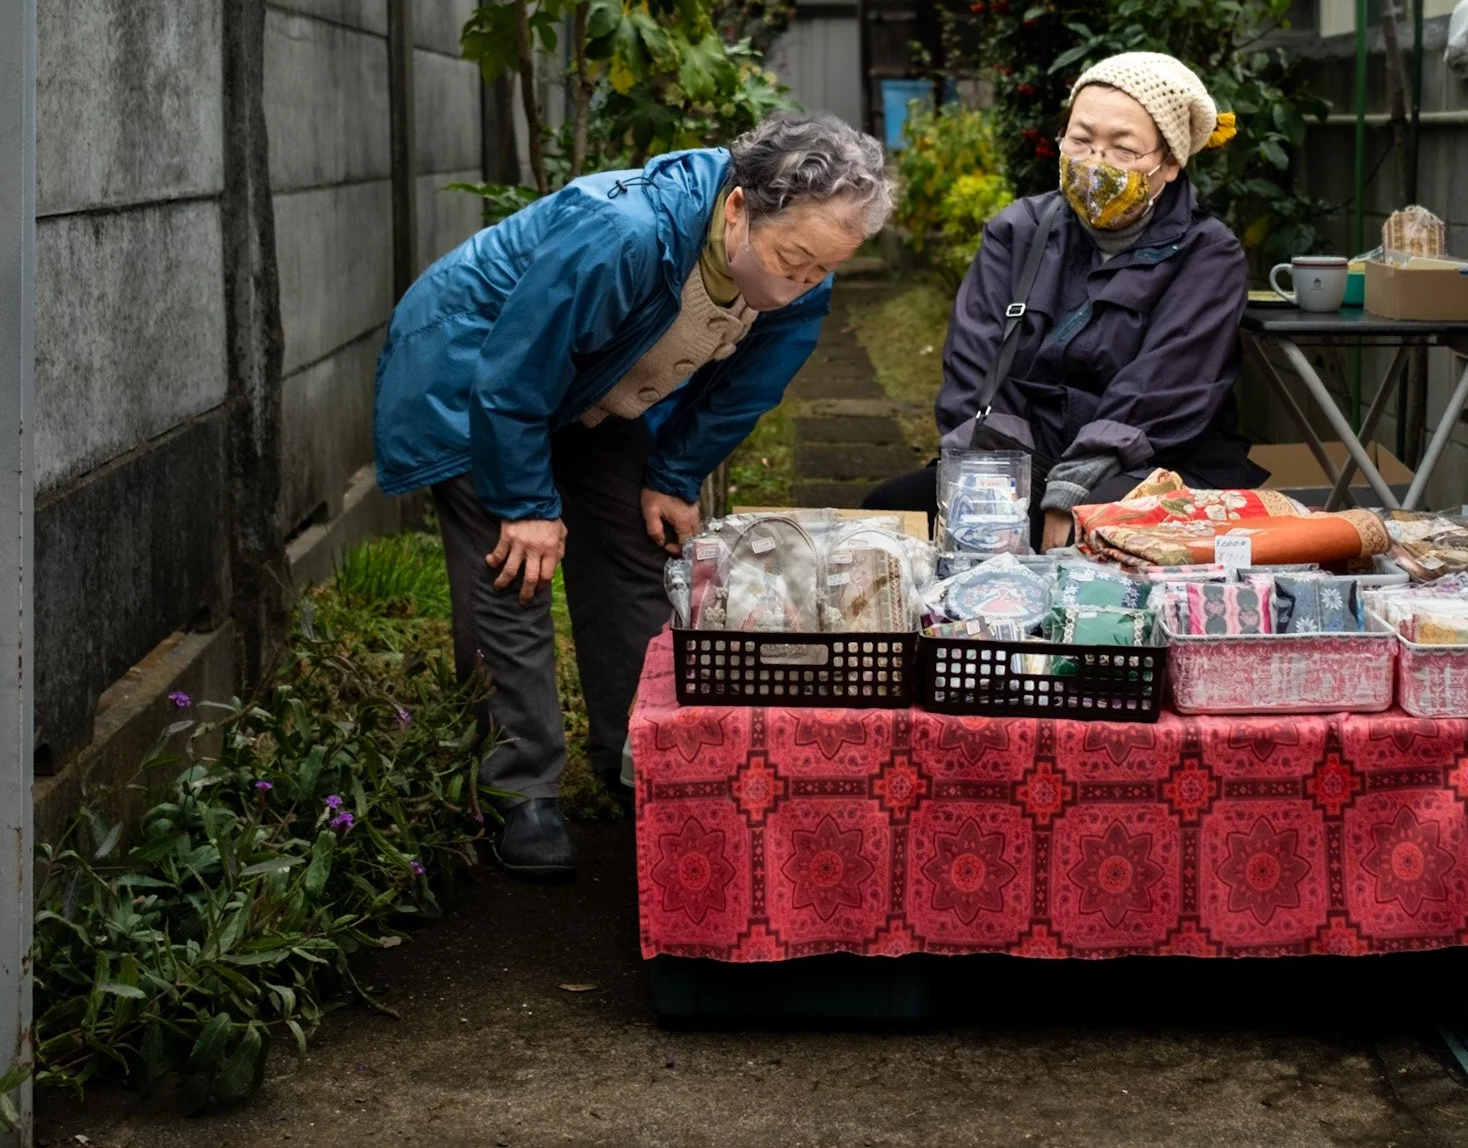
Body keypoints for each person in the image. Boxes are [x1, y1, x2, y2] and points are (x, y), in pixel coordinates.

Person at [373, 113, 892, 880]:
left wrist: (673, 476)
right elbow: (513, 373)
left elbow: (745, 391)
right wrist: (526, 503)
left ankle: (637, 755)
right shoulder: (625, 230)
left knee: (633, 551)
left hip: (594, 388)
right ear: (738, 207)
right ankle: (520, 792)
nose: (799, 287)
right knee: (513, 570)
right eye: (792, 260)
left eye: (822, 269)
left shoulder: (803, 275)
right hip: (473, 375)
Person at [866, 51, 1264, 544]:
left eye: (1123, 149)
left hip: (1147, 464)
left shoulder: (1208, 254)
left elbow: (1167, 388)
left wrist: (1076, 486)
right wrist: (1010, 481)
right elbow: (975, 368)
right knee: (889, 515)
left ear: (1171, 164)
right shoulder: (1017, 231)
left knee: (1097, 539)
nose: (1095, 162)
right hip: (1018, 460)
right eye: (1080, 139)